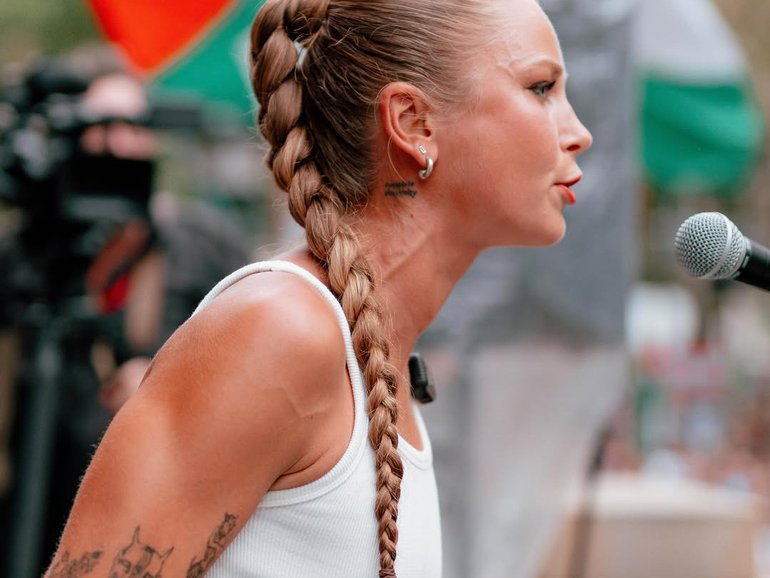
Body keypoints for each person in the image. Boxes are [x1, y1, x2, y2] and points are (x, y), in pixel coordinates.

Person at [43, 0, 591, 576]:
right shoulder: (278, 331)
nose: (578, 133)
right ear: (412, 122)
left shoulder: (374, 360)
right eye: (540, 89)